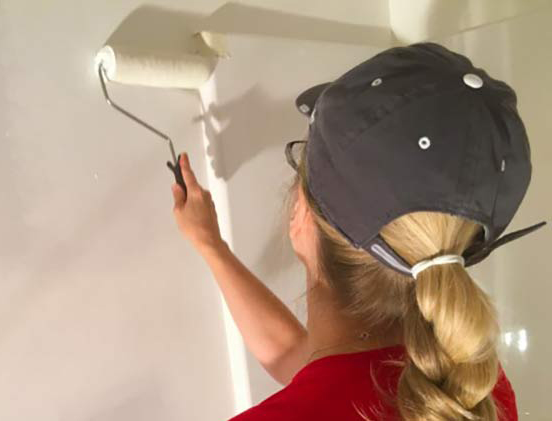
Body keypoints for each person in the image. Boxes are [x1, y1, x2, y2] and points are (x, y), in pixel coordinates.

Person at [170, 42, 545, 421]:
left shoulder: (466, 384)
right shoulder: (468, 389)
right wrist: (211, 246)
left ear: (303, 211)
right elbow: (308, 368)